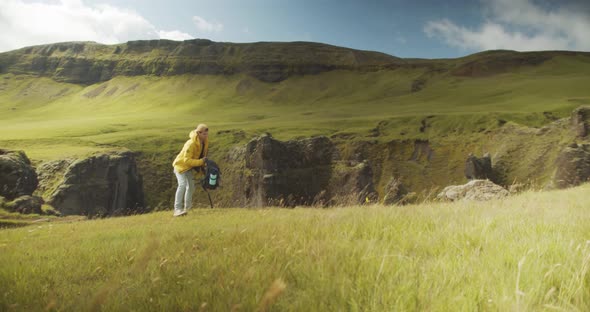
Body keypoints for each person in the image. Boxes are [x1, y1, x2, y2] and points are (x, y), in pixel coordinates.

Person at [172, 124, 209, 216]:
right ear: (198, 133)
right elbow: (186, 160)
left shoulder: (204, 142)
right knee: (182, 185)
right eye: (204, 134)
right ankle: (177, 210)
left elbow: (200, 157)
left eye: (206, 133)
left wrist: (202, 166)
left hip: (188, 168)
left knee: (191, 187)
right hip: (180, 167)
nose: (206, 135)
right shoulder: (191, 143)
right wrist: (201, 162)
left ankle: (187, 209)